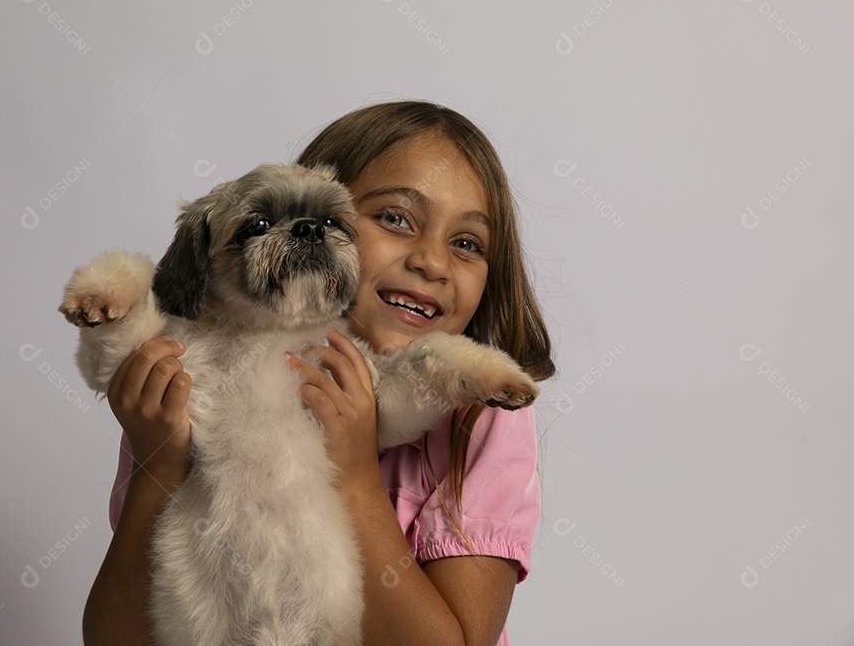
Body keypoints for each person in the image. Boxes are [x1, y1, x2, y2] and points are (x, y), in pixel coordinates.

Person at [81, 101, 555, 646]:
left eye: (467, 243)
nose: (432, 261)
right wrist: (158, 462)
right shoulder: (178, 392)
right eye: (394, 218)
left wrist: (353, 475)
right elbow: (114, 639)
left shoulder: (482, 417)